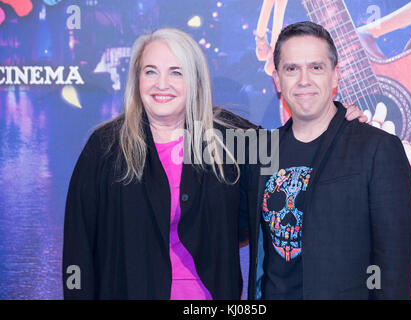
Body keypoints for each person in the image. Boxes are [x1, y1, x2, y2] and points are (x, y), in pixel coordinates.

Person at [63, 27, 366, 300]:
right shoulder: (107, 148)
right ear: (137, 79)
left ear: (195, 79)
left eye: (176, 72)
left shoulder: (227, 138)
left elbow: (298, 153)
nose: (162, 84)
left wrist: (338, 124)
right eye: (151, 72)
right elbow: (79, 246)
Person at [244, 21, 411, 300]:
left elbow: (394, 270)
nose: (303, 80)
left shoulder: (377, 149)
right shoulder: (262, 151)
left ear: (336, 76)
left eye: (316, 67)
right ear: (277, 80)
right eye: (291, 69)